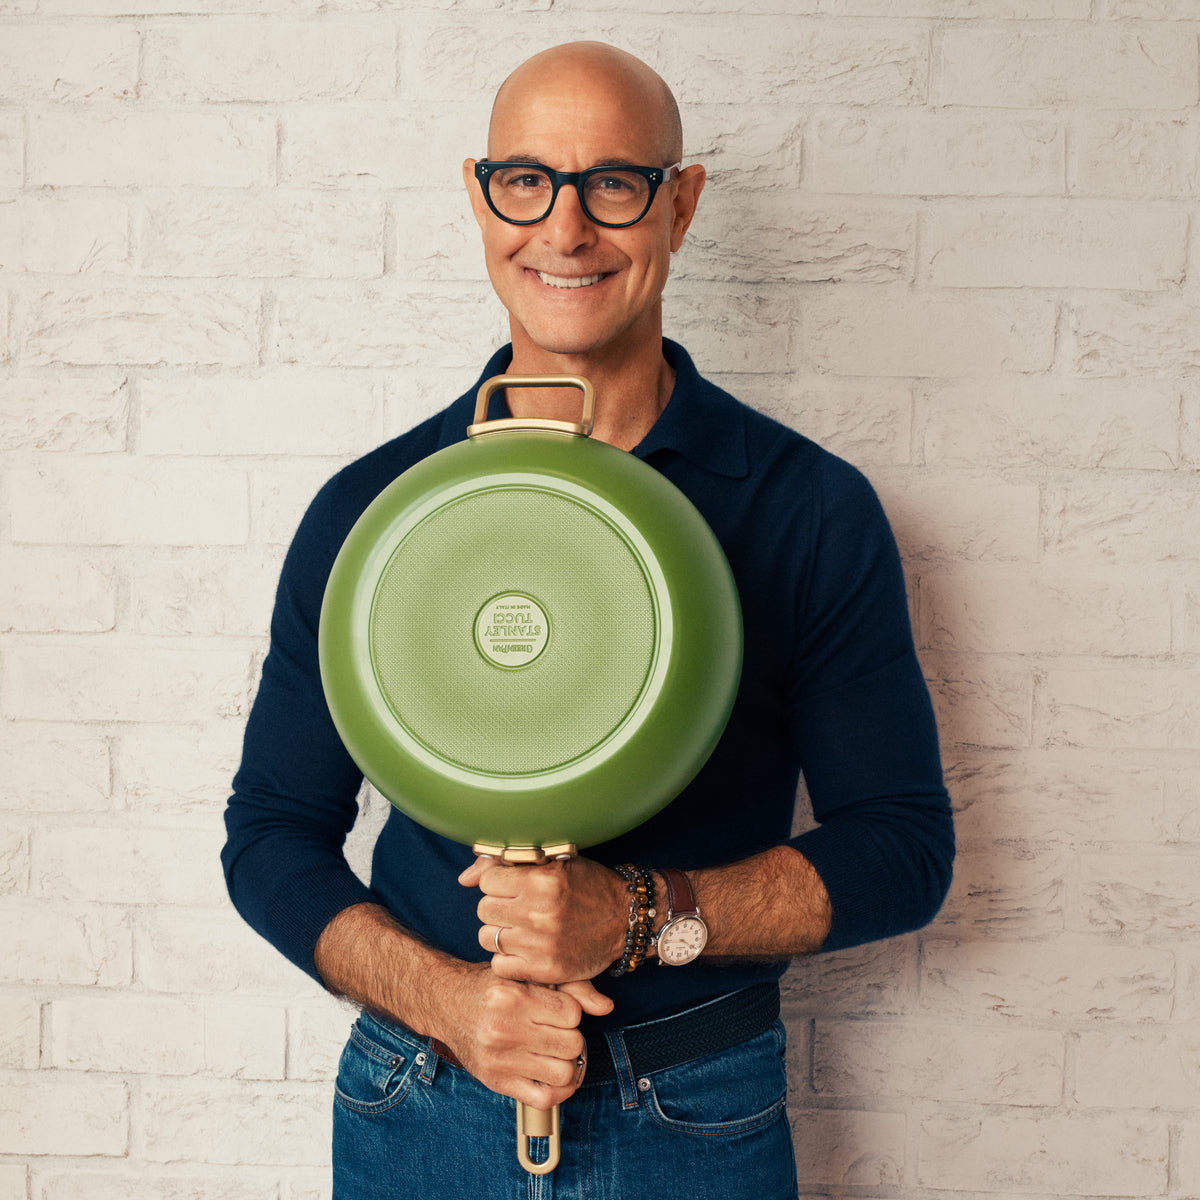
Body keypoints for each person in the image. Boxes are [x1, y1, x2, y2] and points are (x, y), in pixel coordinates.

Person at [222, 41, 954, 1199]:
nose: (564, 231)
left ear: (681, 204)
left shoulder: (808, 507)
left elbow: (901, 852)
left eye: (613, 183)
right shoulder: (377, 515)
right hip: (416, 1100)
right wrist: (448, 1003)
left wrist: (639, 917)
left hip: (696, 1113)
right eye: (527, 181)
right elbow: (270, 835)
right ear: (481, 198)